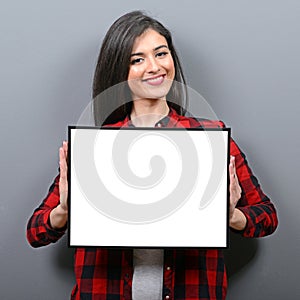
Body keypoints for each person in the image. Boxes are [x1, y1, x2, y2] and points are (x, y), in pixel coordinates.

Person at [26, 10, 278, 300]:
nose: (154, 67)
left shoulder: (210, 140)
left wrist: (231, 217)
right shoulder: (95, 147)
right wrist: (65, 211)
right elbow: (35, 232)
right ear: (119, 71)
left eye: (161, 54)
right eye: (137, 59)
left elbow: (267, 217)